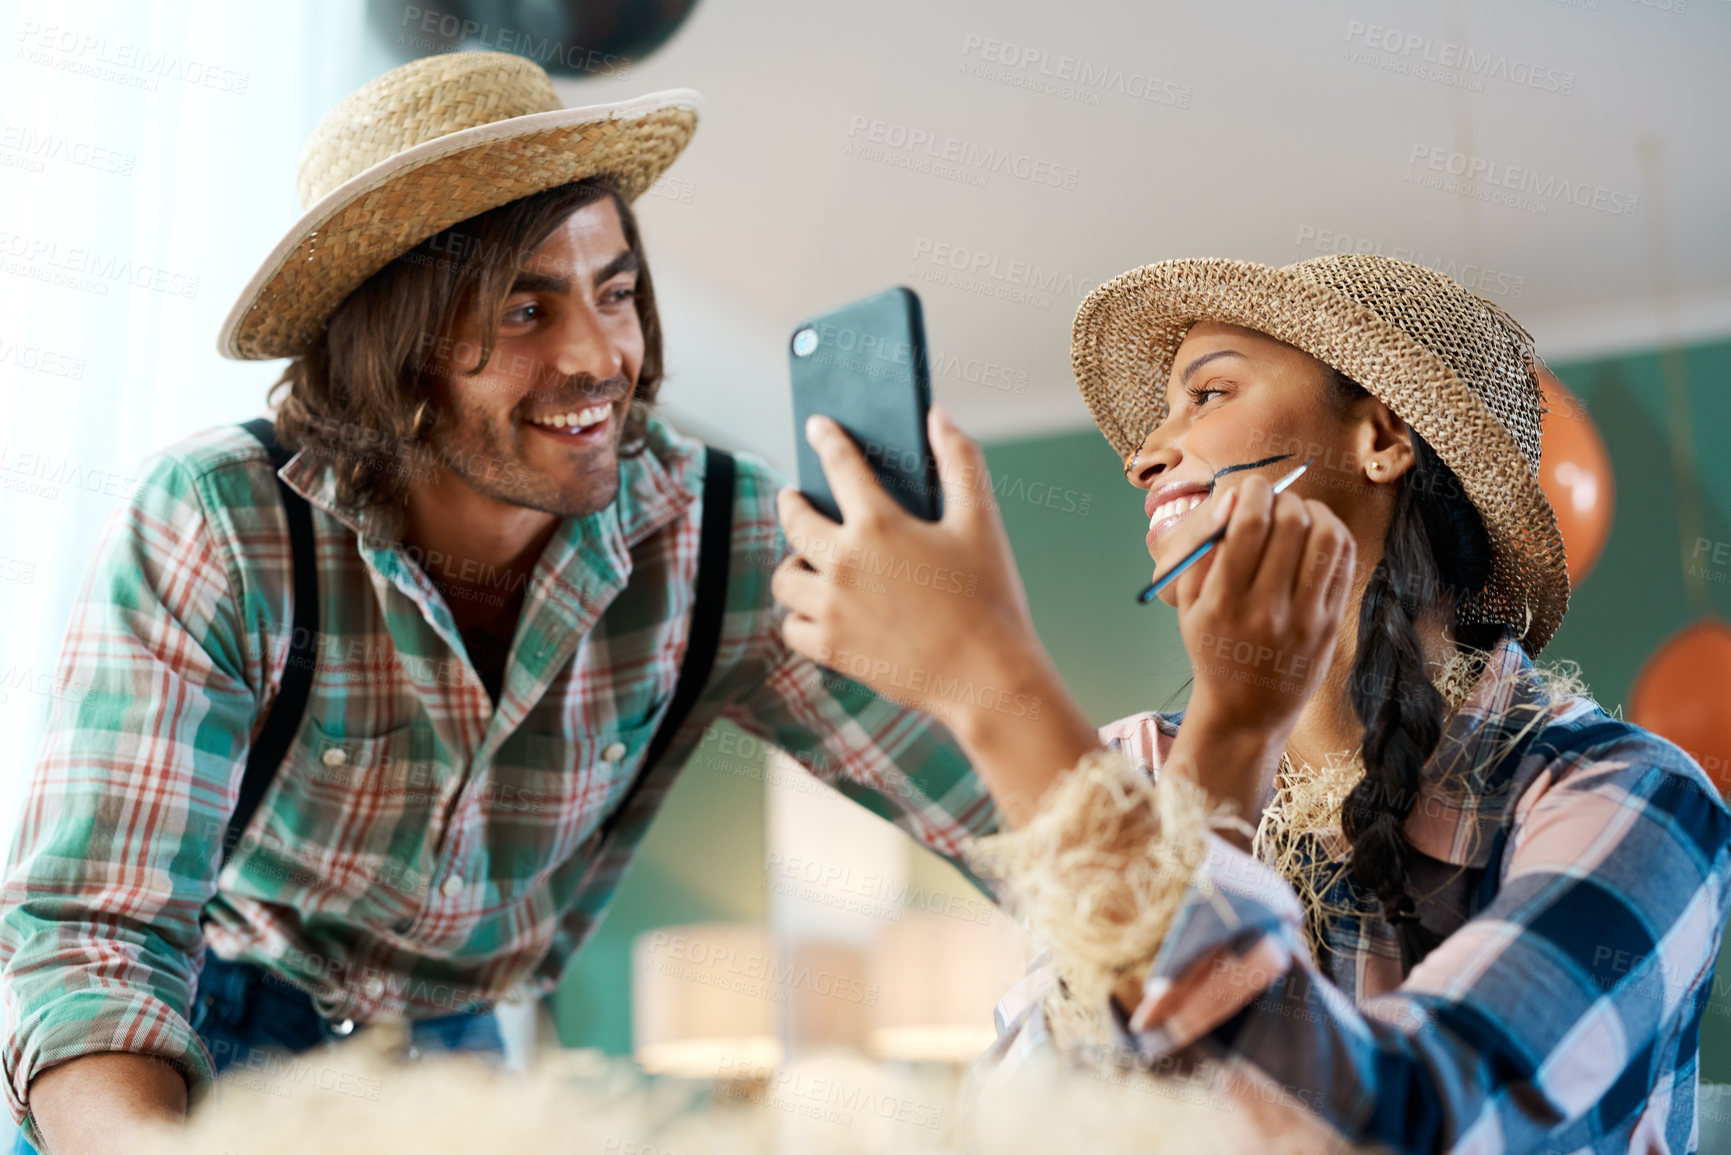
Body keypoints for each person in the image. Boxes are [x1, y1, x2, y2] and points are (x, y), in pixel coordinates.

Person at [0, 53, 1003, 1155]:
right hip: (190, 1050)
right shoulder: (218, 523)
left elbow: (1005, 812)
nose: (599, 357)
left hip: (457, 1064)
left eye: (614, 292)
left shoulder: (724, 541)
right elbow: (94, 937)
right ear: (391, 344)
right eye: (524, 308)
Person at [773, 253, 1731, 1153]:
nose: (1142, 456)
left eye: (1208, 393)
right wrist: (1218, 761)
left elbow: (1392, 1129)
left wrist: (991, 682)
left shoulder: (1631, 799)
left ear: (1382, 437)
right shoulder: (1132, 767)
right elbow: (1059, 1126)